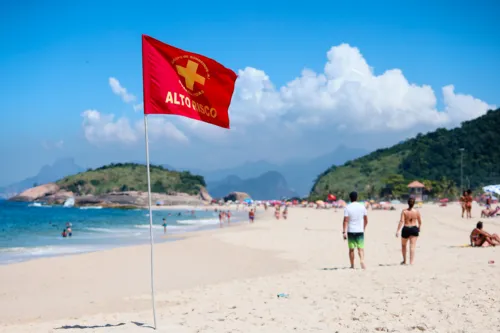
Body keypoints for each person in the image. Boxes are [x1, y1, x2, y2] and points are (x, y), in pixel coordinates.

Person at [343, 191, 368, 269]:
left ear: (350, 198)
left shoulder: (347, 207)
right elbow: (366, 220)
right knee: (361, 248)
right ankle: (362, 260)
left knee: (351, 249)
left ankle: (352, 265)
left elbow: (345, 220)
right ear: (357, 197)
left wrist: (344, 232)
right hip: (360, 230)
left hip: (351, 231)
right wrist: (363, 227)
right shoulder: (362, 207)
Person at [396, 198, 422, 265]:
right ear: (414, 203)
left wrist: (398, 230)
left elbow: (401, 221)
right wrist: (419, 228)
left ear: (408, 203)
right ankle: (411, 262)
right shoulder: (416, 211)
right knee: (412, 246)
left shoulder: (404, 211)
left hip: (406, 228)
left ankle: (404, 260)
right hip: (414, 228)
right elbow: (419, 222)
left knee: (403, 245)